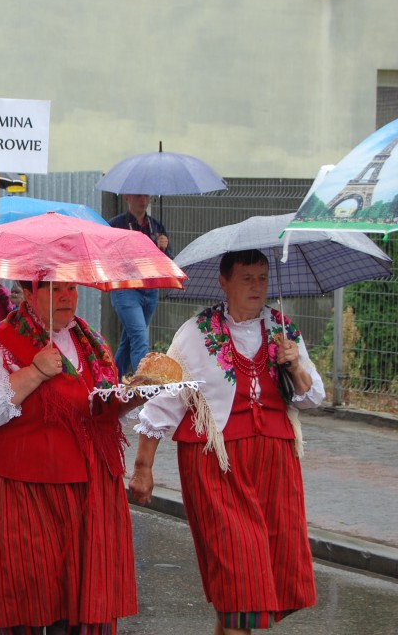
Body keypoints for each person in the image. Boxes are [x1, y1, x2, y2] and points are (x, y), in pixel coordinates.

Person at [129, 249, 324, 634]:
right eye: (247, 278)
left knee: (257, 582)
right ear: (224, 282)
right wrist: (142, 468)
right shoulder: (196, 333)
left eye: (262, 278)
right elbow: (165, 401)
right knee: (240, 570)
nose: (257, 287)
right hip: (216, 465)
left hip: (275, 465)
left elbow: (312, 397)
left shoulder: (284, 331)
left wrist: (295, 364)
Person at [0, 280, 139, 633]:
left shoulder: (92, 344)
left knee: (78, 601)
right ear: (28, 295)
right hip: (19, 491)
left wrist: (131, 400)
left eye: (72, 289)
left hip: (86, 490)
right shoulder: (0, 342)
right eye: (54, 289)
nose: (66, 296)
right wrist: (35, 372)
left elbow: (99, 407)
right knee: (24, 597)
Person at [107, 193, 172, 376]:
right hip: (126, 289)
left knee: (129, 341)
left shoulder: (156, 226)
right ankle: (144, 389)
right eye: (137, 196)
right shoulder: (115, 225)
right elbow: (107, 257)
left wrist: (164, 248)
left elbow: (168, 261)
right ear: (127, 197)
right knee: (140, 338)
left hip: (150, 289)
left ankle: (111, 382)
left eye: (145, 196)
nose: (142, 200)